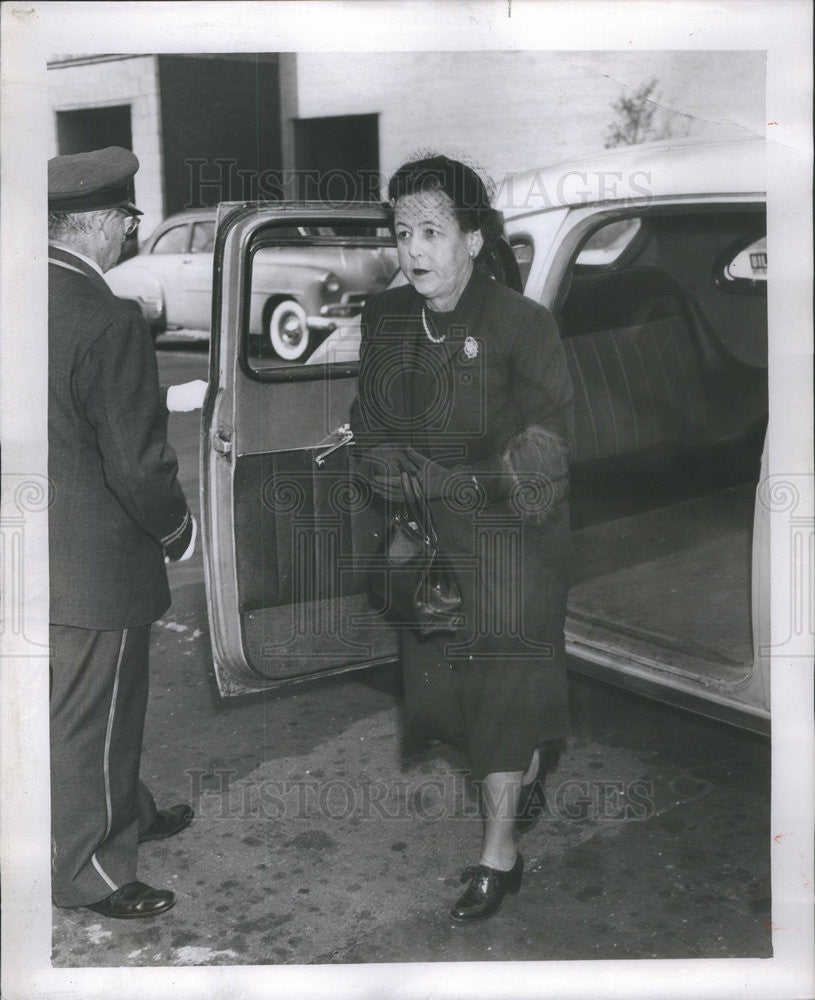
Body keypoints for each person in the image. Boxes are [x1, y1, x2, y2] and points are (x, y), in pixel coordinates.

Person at [351, 154, 574, 921]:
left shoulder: (522, 325)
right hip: (430, 549)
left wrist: (443, 479)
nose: (413, 249)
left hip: (516, 544)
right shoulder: (383, 318)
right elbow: (370, 432)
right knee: (451, 697)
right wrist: (403, 475)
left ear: (473, 239)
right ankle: (528, 763)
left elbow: (542, 455)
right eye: (402, 231)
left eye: (432, 232)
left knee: (501, 701)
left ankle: (497, 855)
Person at [48, 146, 196, 920]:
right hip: (91, 560)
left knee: (65, 703)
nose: (131, 232)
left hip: (30, 540)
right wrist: (178, 530)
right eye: (129, 218)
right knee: (95, 710)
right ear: (101, 223)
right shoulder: (108, 317)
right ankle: (93, 872)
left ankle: (126, 807)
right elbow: (137, 466)